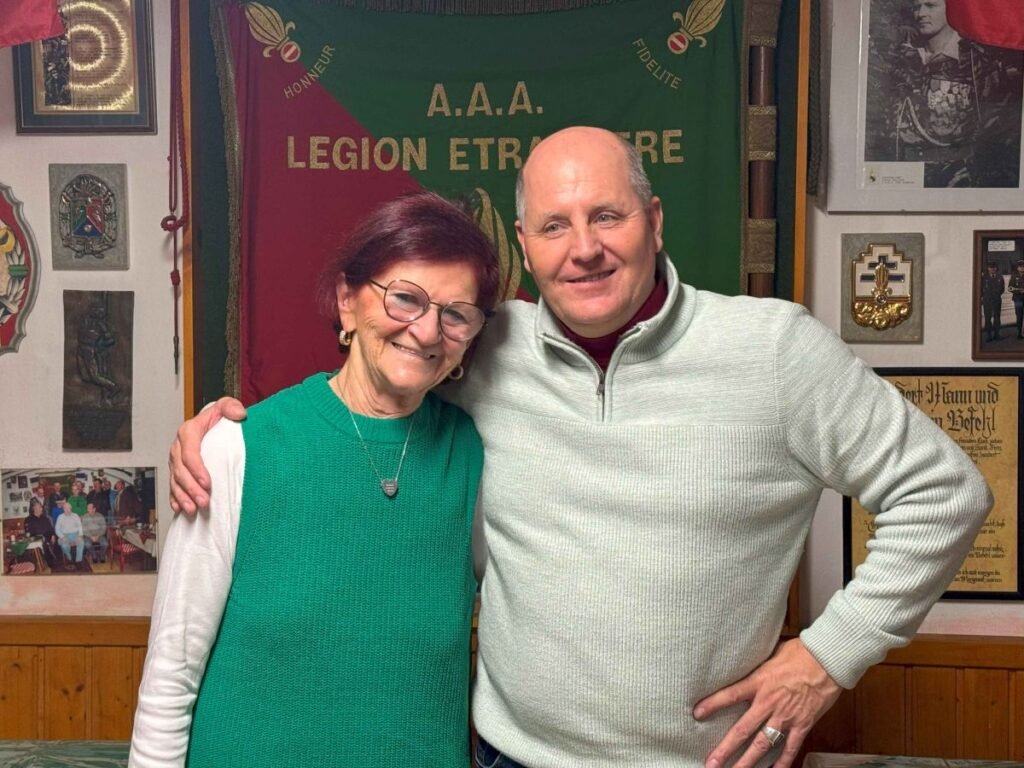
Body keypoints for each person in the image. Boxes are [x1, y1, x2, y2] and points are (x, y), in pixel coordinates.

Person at [169, 127, 991, 768]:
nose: (583, 248)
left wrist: (828, 656)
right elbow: (375, 378)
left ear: (654, 221)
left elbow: (945, 494)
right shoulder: (483, 344)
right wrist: (229, 432)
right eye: (554, 225)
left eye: (607, 215)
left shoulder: (774, 350)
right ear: (524, 245)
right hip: (509, 756)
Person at [130, 192, 500, 768]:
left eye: (455, 315)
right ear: (348, 302)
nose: (428, 331)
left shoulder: (473, 457)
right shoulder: (236, 447)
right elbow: (171, 673)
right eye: (405, 298)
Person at [888, 0, 1023, 187]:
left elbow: (1000, 128)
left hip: (958, 179)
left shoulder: (977, 61)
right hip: (903, 175)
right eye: (916, 7)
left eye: (931, 5)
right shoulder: (899, 57)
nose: (921, 14)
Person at [24, 498, 60, 570]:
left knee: (57, 538)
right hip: (37, 538)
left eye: (41, 507)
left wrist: (53, 535)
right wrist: (40, 536)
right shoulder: (28, 519)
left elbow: (50, 528)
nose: (42, 509)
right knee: (44, 543)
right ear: (34, 508)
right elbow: (29, 532)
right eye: (40, 507)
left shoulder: (45, 518)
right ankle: (50, 561)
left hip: (47, 536)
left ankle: (57, 559)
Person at [54, 501, 84, 570]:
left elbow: (80, 526)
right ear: (63, 509)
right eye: (66, 508)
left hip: (75, 534)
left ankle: (78, 560)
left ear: (71, 509)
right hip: (64, 535)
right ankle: (69, 557)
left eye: (69, 508)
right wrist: (62, 537)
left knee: (81, 542)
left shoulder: (75, 515)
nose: (67, 510)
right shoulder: (60, 517)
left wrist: (80, 535)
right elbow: (57, 529)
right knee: (64, 545)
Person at [981, 262, 1005, 341]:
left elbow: (1002, 288)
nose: (992, 269)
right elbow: (980, 288)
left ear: (996, 268)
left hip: (997, 300)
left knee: (997, 317)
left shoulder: (999, 277)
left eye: (994, 267)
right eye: (991, 267)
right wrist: (983, 297)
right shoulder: (984, 278)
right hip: (987, 300)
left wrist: (996, 295)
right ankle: (989, 335)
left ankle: (997, 334)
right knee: (988, 318)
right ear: (988, 268)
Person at [1009, 260, 1024, 339]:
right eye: (1020, 266)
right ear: (1018, 268)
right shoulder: (1014, 276)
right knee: (1019, 316)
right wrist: (1019, 291)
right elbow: (1009, 288)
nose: (1022, 268)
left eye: (1023, 266)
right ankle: (1019, 333)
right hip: (1018, 299)